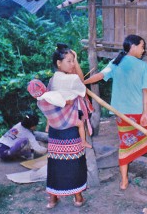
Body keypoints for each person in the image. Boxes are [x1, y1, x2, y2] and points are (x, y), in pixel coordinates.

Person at [84, 34, 147, 190]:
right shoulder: (142, 66)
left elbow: (99, 76)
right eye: (142, 46)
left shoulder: (115, 63)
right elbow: (146, 91)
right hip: (138, 111)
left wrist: (82, 82)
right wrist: (145, 112)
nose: (143, 50)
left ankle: (124, 180)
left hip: (120, 113)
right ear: (133, 46)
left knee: (125, 144)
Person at [34, 43, 90, 209]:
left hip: (55, 127)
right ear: (59, 63)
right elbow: (82, 85)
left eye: (73, 61)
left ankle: (52, 199)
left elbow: (49, 102)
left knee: (56, 162)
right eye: (69, 61)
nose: (72, 64)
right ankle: (78, 198)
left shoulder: (52, 79)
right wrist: (78, 64)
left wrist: (47, 124)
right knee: (75, 161)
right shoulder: (72, 79)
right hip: (71, 125)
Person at [27, 78, 92, 149]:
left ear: (33, 96)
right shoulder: (52, 96)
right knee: (80, 123)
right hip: (63, 122)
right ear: (44, 87)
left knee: (51, 115)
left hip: (53, 124)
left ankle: (48, 127)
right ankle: (84, 142)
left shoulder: (39, 103)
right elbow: (67, 102)